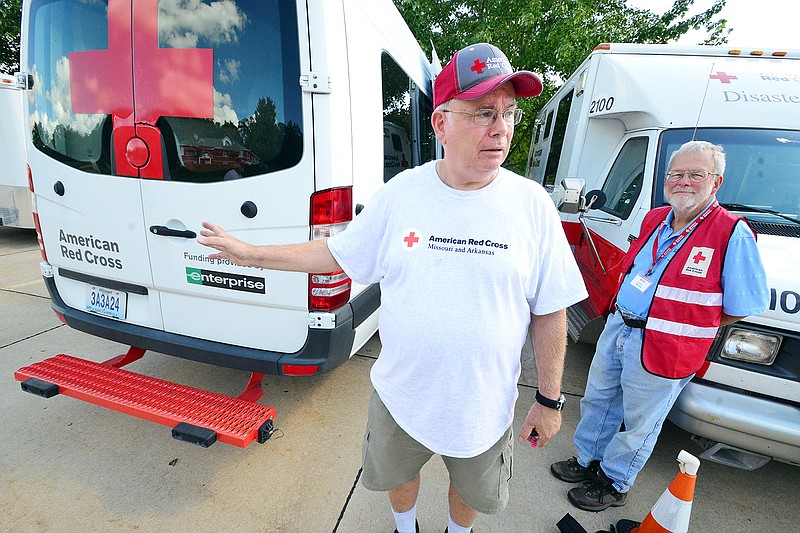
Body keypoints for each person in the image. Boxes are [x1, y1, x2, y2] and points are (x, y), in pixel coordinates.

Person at [198, 42, 587, 533]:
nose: (502, 127)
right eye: (484, 112)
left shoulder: (532, 205)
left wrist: (550, 400)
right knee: (397, 475)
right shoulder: (403, 193)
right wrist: (252, 254)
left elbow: (551, 310)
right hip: (402, 396)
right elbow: (338, 255)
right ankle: (407, 528)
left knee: (471, 491)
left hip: (483, 406)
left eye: (509, 112)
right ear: (440, 124)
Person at [551, 140, 768, 512]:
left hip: (667, 344)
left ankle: (614, 481)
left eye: (696, 174)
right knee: (599, 400)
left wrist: (690, 323)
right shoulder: (655, 218)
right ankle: (587, 459)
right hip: (620, 327)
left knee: (640, 420)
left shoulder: (731, 232)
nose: (684, 181)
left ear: (716, 182)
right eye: (677, 174)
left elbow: (744, 304)